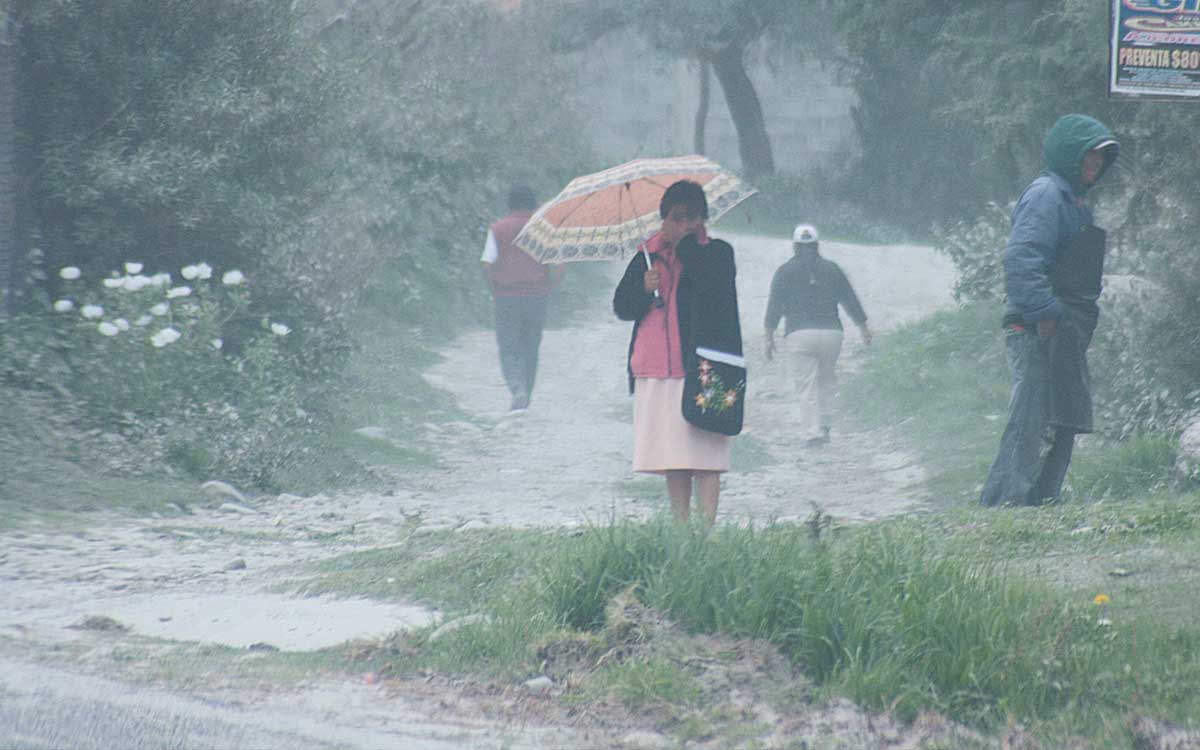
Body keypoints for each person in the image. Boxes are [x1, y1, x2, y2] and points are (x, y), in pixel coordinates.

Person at [979, 114, 1119, 507]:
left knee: (1064, 416)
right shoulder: (1046, 194)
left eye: (1099, 160)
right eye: (1087, 158)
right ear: (1068, 155)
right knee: (1032, 417)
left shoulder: (1075, 202)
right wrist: (1044, 313)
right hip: (1037, 326)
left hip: (1065, 328)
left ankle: (1041, 499)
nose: (1094, 166)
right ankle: (1006, 501)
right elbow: (1022, 258)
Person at [613, 180, 742, 524]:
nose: (682, 225)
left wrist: (686, 247)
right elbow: (622, 307)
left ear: (702, 220)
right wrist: (642, 287)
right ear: (663, 218)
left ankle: (707, 530)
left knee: (707, 457)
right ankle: (681, 528)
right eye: (675, 217)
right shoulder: (646, 257)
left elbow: (710, 285)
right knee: (674, 456)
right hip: (656, 369)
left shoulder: (717, 254)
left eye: (690, 218)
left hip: (703, 368)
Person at [763, 224, 871, 448]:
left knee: (806, 385)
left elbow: (774, 305)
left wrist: (769, 335)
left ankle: (813, 434)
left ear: (794, 246)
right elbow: (850, 299)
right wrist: (863, 327)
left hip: (799, 333)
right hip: (832, 333)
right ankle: (825, 424)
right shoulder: (832, 269)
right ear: (817, 246)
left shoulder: (784, 271)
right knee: (826, 379)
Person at [481, 185, 561, 412]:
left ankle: (517, 388)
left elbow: (487, 263)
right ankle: (526, 392)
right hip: (537, 297)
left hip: (506, 297)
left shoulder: (497, 229)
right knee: (531, 346)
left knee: (509, 345)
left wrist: (494, 288)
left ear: (510, 205)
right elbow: (560, 265)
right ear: (535, 205)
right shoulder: (544, 230)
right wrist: (550, 286)